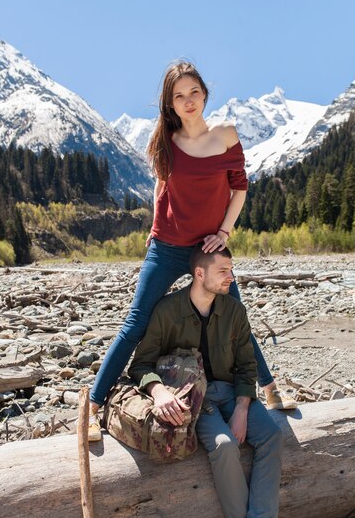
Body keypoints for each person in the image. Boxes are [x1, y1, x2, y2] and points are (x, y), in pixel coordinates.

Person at [87, 61, 294, 440]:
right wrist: (153, 226)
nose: (188, 101)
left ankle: (270, 390)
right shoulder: (166, 140)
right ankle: (92, 406)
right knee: (135, 325)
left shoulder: (226, 135)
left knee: (236, 316)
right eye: (178, 95)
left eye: (193, 92)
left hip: (207, 250)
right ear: (170, 103)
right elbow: (160, 185)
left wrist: (224, 233)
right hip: (166, 247)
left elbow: (240, 188)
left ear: (205, 93)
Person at [128, 243, 296, 518]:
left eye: (232, 270)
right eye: (224, 271)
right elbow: (140, 365)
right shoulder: (168, 310)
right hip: (195, 399)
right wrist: (158, 392)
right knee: (222, 446)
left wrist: (242, 408)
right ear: (199, 273)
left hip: (233, 393)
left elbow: (247, 364)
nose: (231, 278)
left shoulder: (234, 310)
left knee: (272, 437)